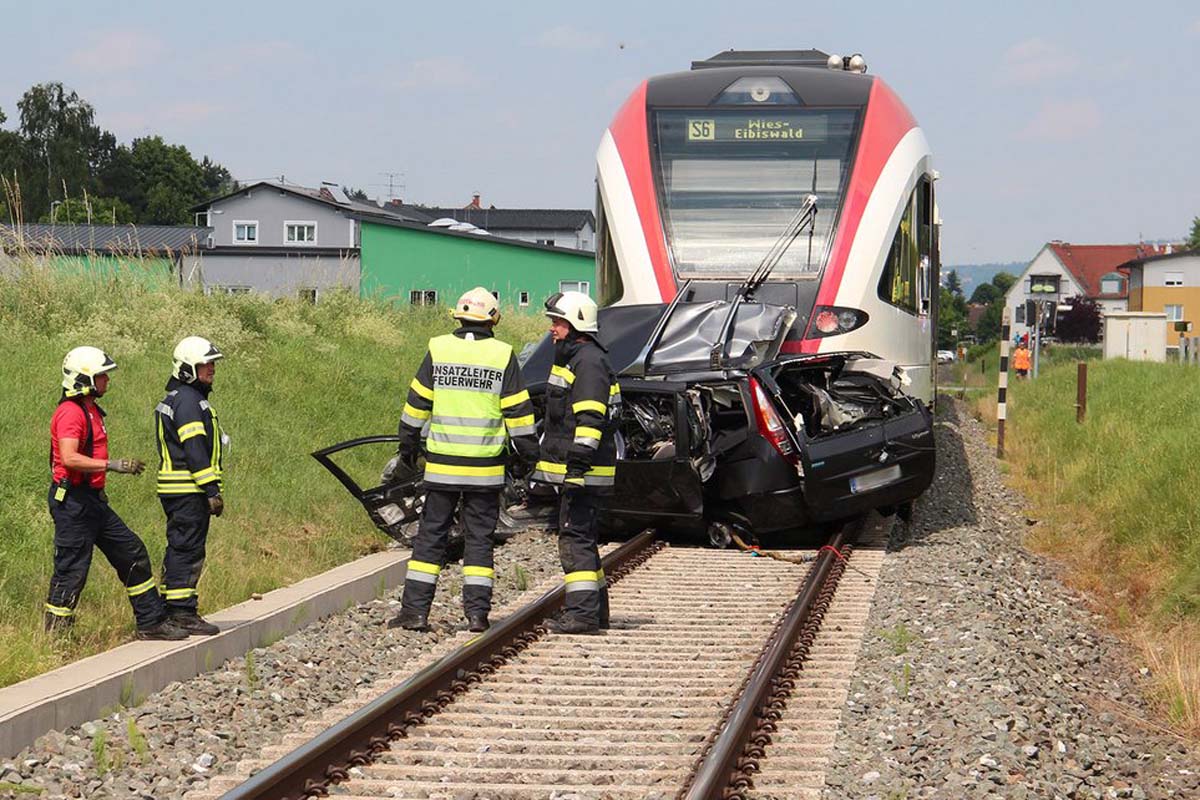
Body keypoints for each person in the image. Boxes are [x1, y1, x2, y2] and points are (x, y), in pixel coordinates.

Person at [389, 287, 539, 633]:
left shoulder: (438, 348)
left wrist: (408, 447)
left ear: (458, 316)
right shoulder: (502, 355)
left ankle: (415, 612)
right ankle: (476, 615)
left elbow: (416, 406)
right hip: (484, 470)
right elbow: (518, 413)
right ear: (494, 320)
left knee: (431, 535)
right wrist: (528, 458)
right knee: (479, 539)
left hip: (442, 466)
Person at [45, 347, 186, 640]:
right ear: (84, 379)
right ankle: (56, 639)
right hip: (73, 503)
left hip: (92, 501)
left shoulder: (91, 410)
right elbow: (69, 458)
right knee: (71, 570)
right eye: (101, 375)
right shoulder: (71, 413)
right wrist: (112, 465)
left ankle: (151, 622)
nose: (107, 380)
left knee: (132, 552)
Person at [532, 291, 619, 635]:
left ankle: (582, 616)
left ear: (576, 325)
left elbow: (589, 422)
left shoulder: (588, 363)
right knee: (582, 537)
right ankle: (595, 613)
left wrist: (577, 471)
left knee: (574, 539)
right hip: (580, 471)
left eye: (558, 322)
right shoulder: (576, 359)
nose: (552, 329)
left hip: (584, 472)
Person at [153, 336, 227, 636]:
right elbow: (194, 447)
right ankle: (181, 612)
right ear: (186, 369)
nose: (211, 369)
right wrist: (211, 489)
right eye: (204, 365)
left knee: (183, 547)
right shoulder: (188, 400)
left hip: (181, 488)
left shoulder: (183, 398)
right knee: (187, 549)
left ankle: (176, 608)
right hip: (187, 489)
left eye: (212, 364)